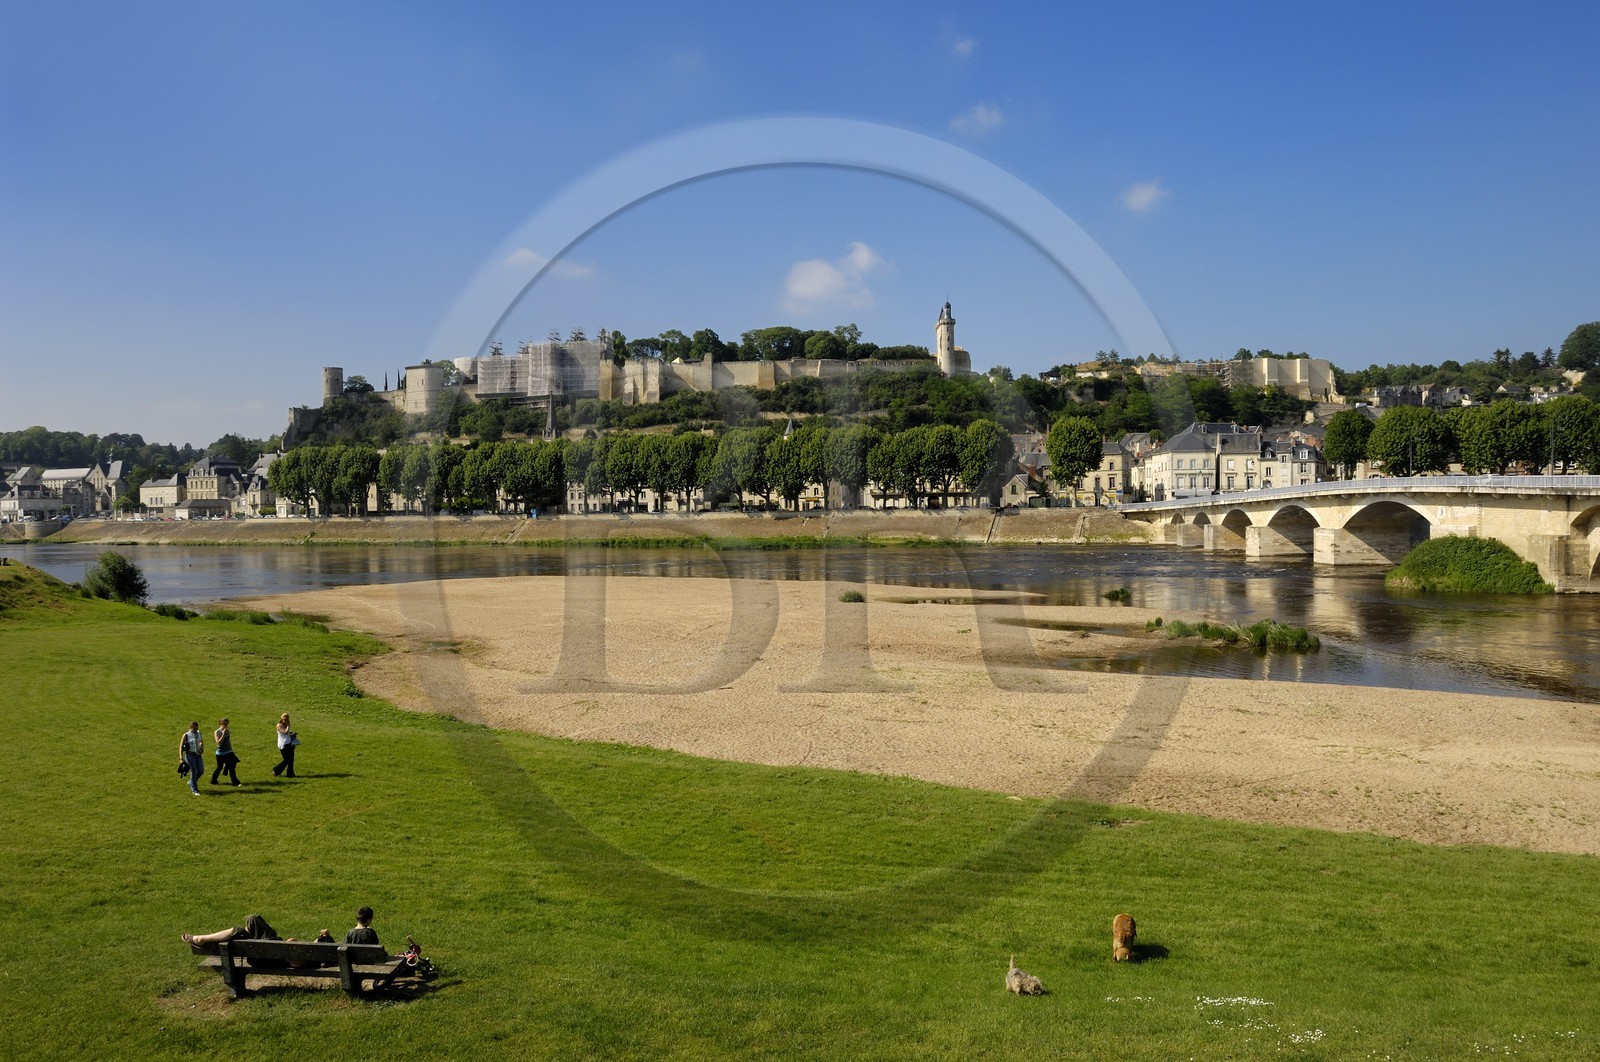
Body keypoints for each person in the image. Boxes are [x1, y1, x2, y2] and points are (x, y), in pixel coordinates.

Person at [211, 717, 241, 787]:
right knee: (219, 767)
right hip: (220, 753)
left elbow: (228, 741)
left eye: (227, 724)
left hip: (228, 752)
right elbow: (218, 743)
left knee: (232, 767)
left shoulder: (227, 730)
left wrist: (231, 750)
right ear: (221, 724)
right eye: (224, 724)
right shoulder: (217, 731)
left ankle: (235, 782)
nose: (226, 725)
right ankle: (213, 780)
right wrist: (223, 734)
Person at [179, 721, 204, 796]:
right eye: (194, 728)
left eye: (197, 728)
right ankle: (194, 789)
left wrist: (202, 748)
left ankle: (191, 781)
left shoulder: (199, 733)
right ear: (191, 727)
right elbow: (181, 746)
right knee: (194, 771)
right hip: (190, 755)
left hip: (198, 754)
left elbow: (201, 741)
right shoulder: (186, 735)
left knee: (201, 771)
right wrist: (181, 758)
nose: (196, 730)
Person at [272, 712, 297, 777]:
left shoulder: (287, 725)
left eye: (287, 720)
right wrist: (288, 726)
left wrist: (292, 734)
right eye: (284, 720)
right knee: (287, 760)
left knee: (291, 760)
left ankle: (290, 774)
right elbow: (285, 732)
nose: (286, 721)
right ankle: (276, 770)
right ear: (281, 719)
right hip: (283, 744)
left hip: (289, 743)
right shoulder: (279, 725)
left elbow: (288, 734)